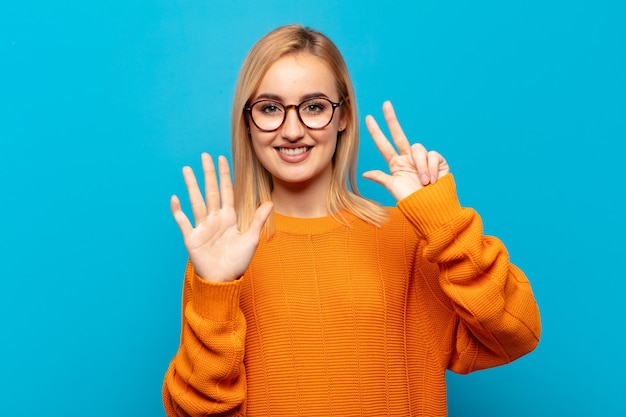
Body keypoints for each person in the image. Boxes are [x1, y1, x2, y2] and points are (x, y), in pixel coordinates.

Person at [162, 24, 541, 417]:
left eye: (313, 107)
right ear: (247, 121)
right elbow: (193, 412)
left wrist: (444, 221)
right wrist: (215, 291)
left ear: (343, 116)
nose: (292, 131)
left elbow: (515, 333)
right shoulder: (223, 255)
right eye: (270, 108)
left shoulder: (409, 237)